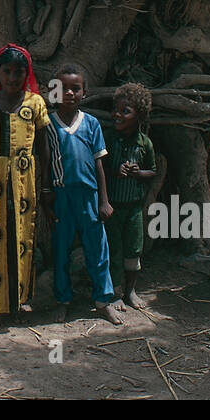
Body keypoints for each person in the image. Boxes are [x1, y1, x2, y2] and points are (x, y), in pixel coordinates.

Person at [0, 44, 52, 331]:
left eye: (19, 72)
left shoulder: (36, 104)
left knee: (22, 237)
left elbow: (44, 149)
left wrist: (47, 188)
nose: (13, 78)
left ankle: (18, 301)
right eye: (7, 72)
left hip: (25, 181)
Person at [47, 63, 124, 324]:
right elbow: (44, 163)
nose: (69, 93)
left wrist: (104, 200)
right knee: (60, 250)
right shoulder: (47, 125)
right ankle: (62, 300)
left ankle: (104, 300)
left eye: (75, 88)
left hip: (89, 196)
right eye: (63, 88)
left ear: (85, 92)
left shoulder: (91, 124)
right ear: (53, 92)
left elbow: (99, 164)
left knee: (98, 249)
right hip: (61, 197)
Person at [102, 82, 157, 308]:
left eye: (125, 111)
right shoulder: (108, 140)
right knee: (114, 249)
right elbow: (100, 169)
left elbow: (152, 170)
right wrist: (116, 171)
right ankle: (115, 292)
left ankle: (131, 291)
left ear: (139, 116)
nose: (117, 114)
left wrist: (138, 172)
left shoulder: (144, 143)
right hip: (113, 206)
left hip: (134, 207)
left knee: (133, 249)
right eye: (116, 109)